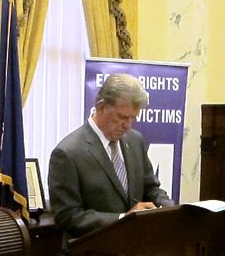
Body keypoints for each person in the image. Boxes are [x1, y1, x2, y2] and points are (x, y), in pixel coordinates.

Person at [48, 73, 173, 239]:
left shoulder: (135, 140)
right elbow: (68, 217)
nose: (128, 126)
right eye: (122, 117)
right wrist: (123, 219)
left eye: (133, 118)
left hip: (135, 252)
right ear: (101, 107)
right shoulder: (67, 153)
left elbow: (150, 187)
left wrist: (169, 209)